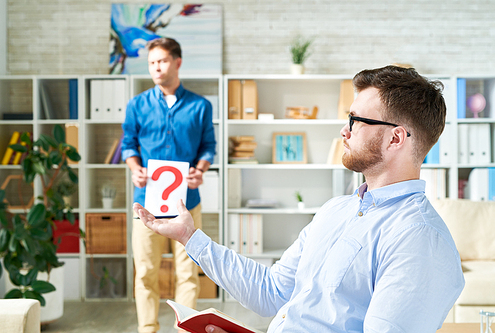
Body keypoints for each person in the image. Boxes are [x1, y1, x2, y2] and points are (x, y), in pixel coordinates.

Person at [133, 65, 465, 332]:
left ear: (396, 138)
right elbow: (272, 292)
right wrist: (190, 237)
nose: (344, 131)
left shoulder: (421, 240)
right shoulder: (337, 210)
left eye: (357, 120)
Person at [121, 37, 216, 333]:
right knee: (146, 272)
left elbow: (207, 146)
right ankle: (147, 329)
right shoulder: (137, 105)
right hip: (145, 204)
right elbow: (129, 144)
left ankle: (184, 329)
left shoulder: (200, 106)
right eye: (151, 63)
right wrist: (135, 168)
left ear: (177, 62)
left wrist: (200, 170)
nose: (156, 68)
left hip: (187, 203)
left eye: (162, 61)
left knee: (187, 272)